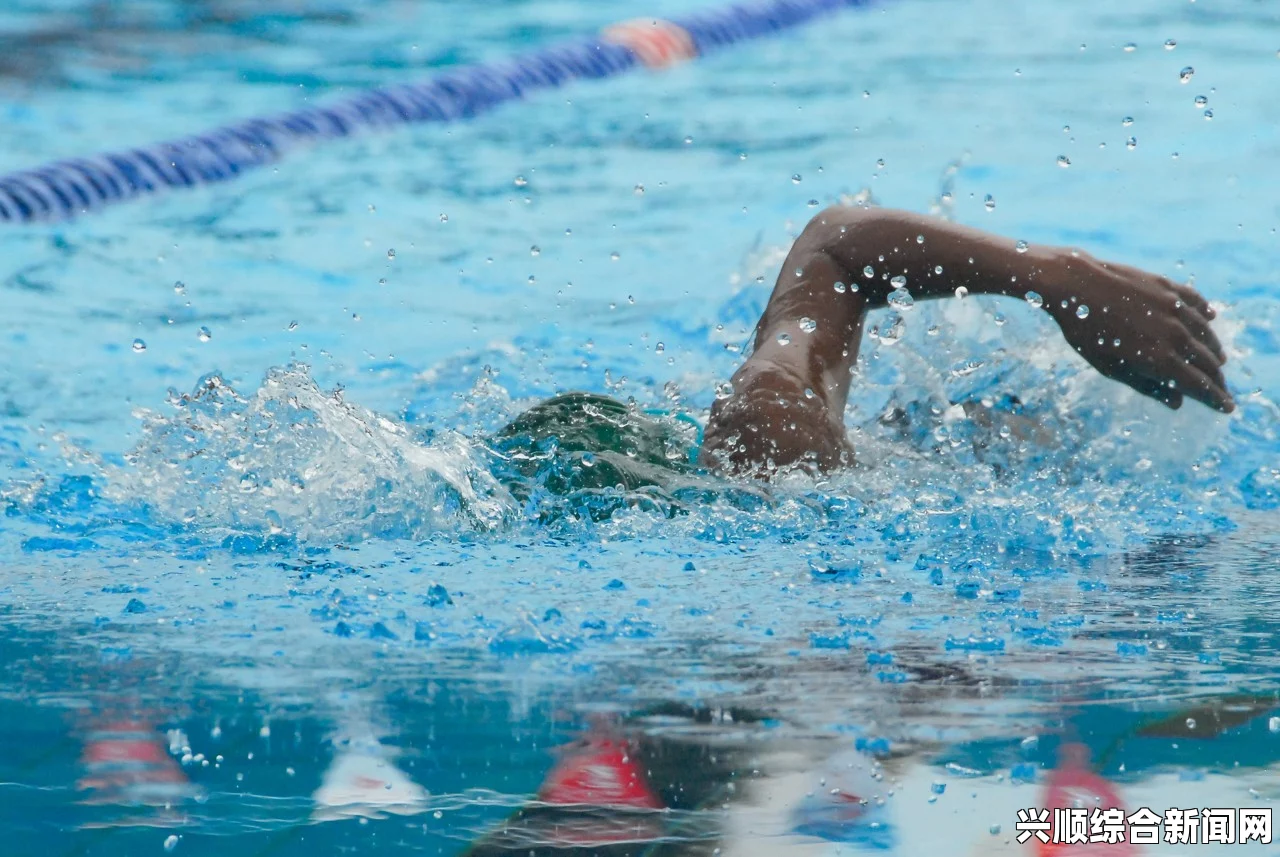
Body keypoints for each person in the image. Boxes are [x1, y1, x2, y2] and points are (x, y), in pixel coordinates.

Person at [492, 204, 1231, 493]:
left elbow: (839, 248)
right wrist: (1053, 275)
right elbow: (835, 248)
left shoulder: (767, 437)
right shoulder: (768, 443)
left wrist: (1059, 277)